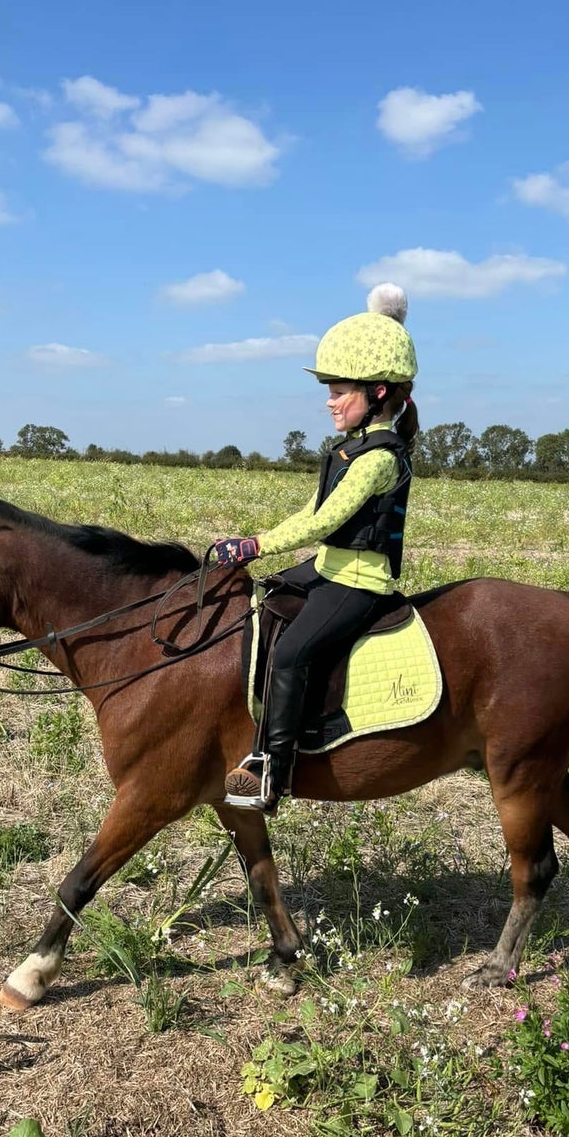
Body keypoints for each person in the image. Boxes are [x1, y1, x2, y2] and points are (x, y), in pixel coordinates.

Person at [214, 283, 419, 810]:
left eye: (340, 390)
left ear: (376, 392)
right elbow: (309, 512)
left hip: (359, 581)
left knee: (290, 653)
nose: (329, 400)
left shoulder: (378, 458)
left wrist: (255, 544)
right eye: (327, 389)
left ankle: (272, 774)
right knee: (260, 607)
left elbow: (326, 519)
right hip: (327, 567)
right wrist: (251, 543)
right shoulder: (349, 450)